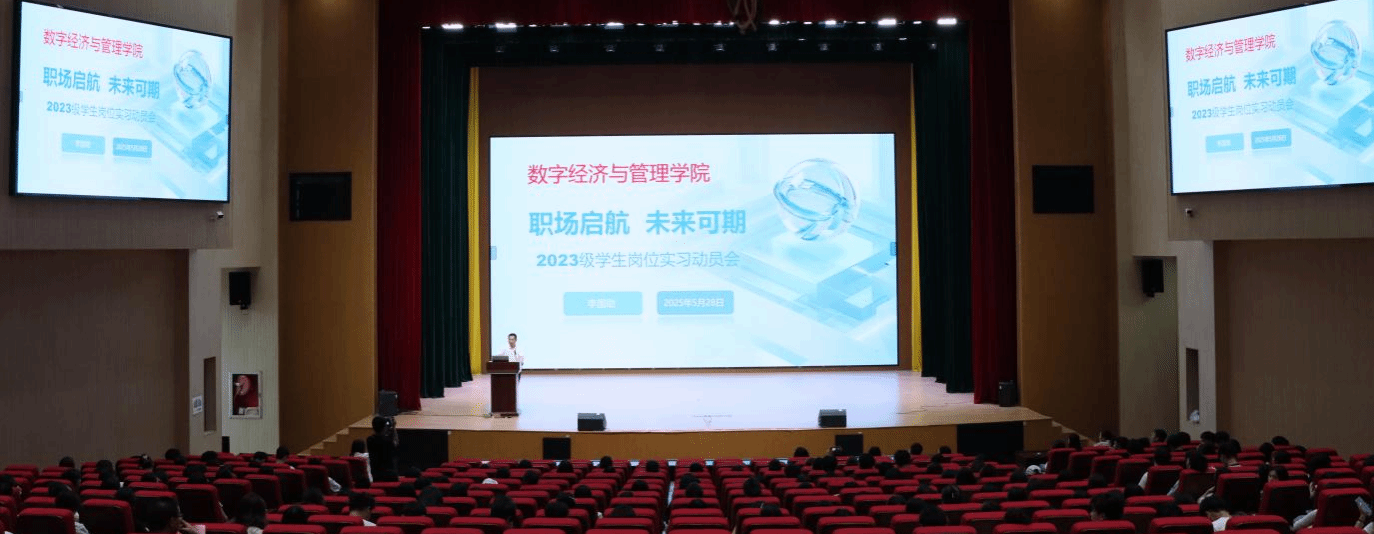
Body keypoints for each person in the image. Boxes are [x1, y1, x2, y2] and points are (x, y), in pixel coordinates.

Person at [367, 416, 399, 482]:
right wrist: (393, 428)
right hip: (389, 475)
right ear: (384, 427)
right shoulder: (387, 441)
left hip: (375, 474)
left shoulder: (369, 440)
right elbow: (396, 442)